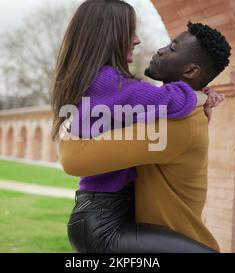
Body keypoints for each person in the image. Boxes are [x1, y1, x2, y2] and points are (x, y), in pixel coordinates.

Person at [52, 0, 224, 253]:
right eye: (129, 32)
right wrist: (199, 96)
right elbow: (171, 100)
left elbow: (156, 106)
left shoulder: (101, 82)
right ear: (110, 36)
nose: (137, 40)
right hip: (102, 224)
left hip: (104, 216)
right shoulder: (109, 83)